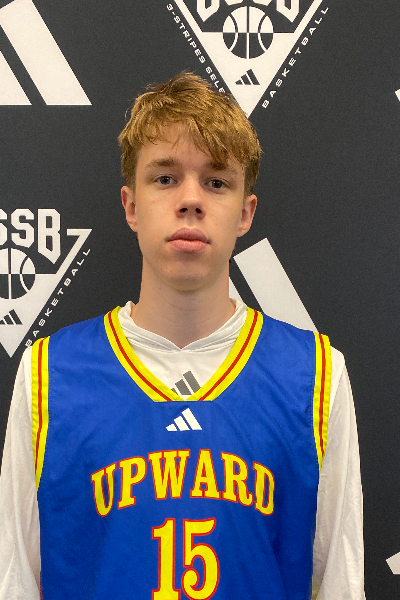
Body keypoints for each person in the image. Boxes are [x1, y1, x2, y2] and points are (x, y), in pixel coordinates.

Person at [0, 72, 365, 599]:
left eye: (216, 182)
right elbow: (13, 580)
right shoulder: (49, 375)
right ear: (131, 205)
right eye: (165, 178)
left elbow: (342, 586)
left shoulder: (315, 376)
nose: (191, 199)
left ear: (245, 212)